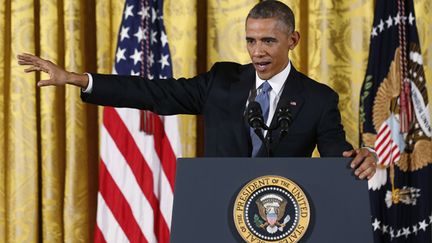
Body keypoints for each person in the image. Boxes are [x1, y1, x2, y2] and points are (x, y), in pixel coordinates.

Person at [18, 0, 377, 179]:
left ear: (293, 40)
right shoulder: (222, 81)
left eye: (268, 40)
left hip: (281, 218)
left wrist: (362, 159)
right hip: (217, 213)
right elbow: (154, 93)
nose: (257, 51)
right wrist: (79, 79)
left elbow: (336, 155)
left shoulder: (318, 98)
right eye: (251, 40)